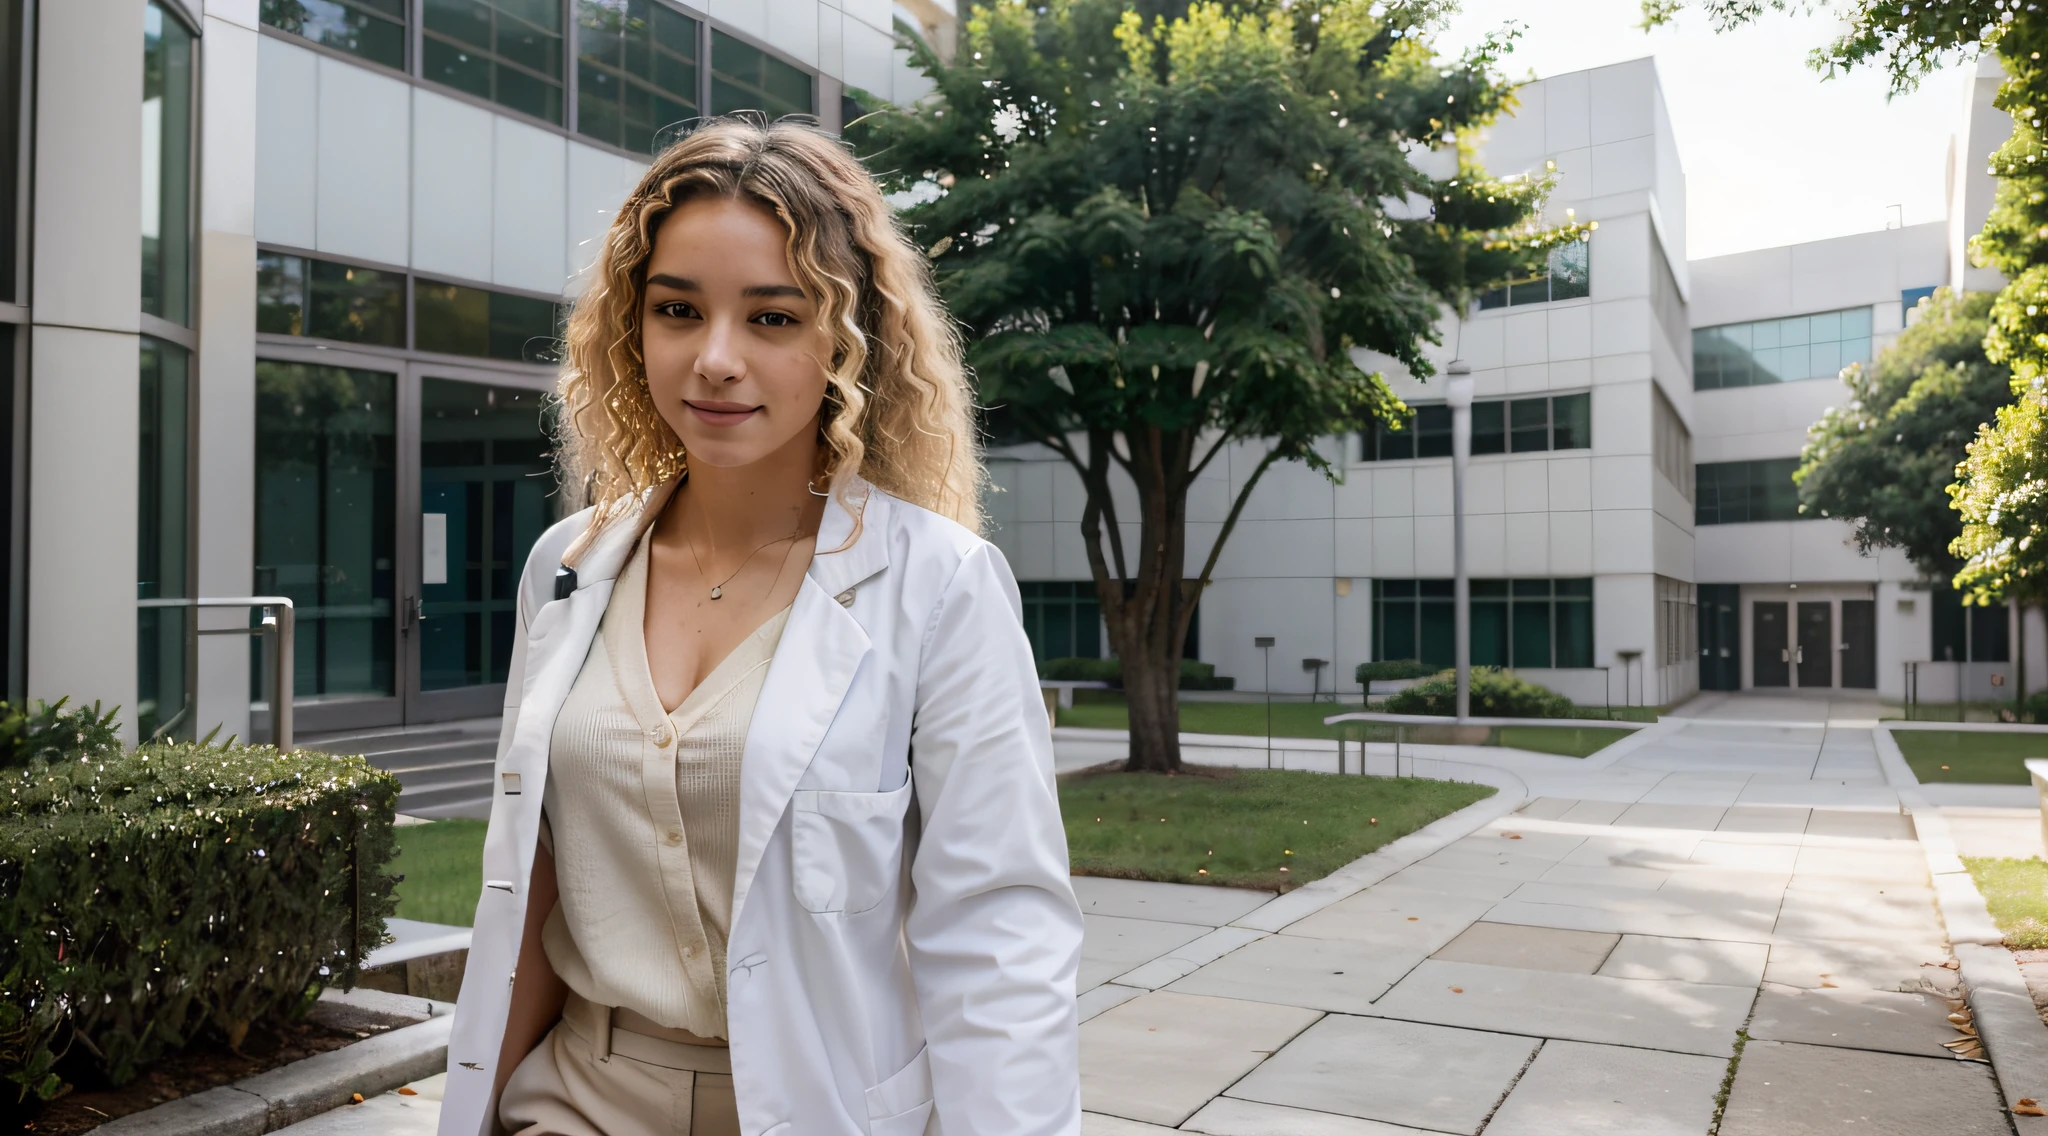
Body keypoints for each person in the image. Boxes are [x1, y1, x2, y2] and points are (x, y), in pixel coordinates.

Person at [436, 118, 1083, 1136]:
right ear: (632, 327)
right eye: (678, 310)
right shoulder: (567, 564)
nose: (715, 359)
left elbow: (997, 932)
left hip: (812, 1105)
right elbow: (536, 884)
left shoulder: (938, 586)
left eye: (773, 318)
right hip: (576, 1099)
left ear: (846, 338)